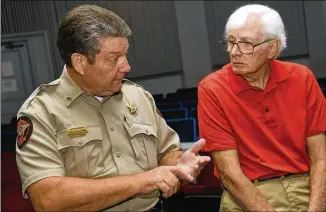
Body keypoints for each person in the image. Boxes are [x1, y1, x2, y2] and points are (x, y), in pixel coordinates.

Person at [15, 4, 210, 212]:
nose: (126, 67)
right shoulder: (41, 112)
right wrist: (141, 181)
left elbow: (166, 152)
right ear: (79, 62)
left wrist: (180, 164)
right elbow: (48, 198)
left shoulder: (138, 96)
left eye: (125, 55)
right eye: (113, 58)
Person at [198, 4, 325, 212]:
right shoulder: (212, 88)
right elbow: (229, 174)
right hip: (247, 196)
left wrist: (317, 208)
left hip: (306, 187)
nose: (234, 52)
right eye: (230, 42)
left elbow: (320, 157)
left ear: (272, 49)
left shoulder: (302, 78)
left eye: (246, 44)